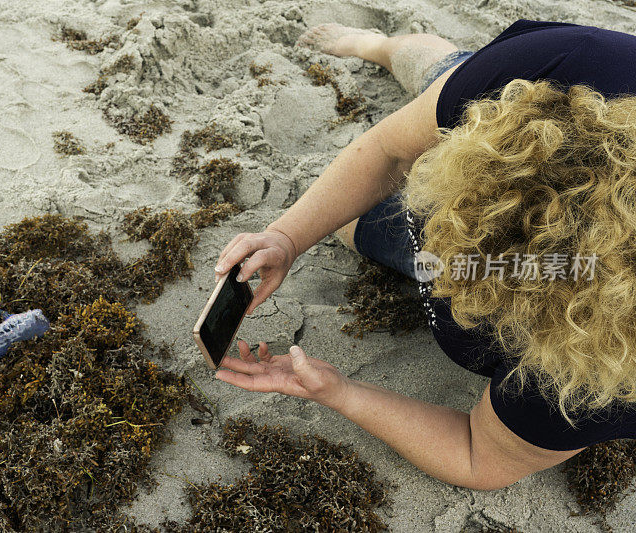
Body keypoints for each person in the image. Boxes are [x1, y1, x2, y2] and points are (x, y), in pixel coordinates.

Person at [213, 19, 636, 490]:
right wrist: (287, 237)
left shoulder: (600, 381)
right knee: (446, 76)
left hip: (590, 323)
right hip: (533, 107)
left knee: (353, 226)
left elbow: (479, 457)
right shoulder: (566, 65)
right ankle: (378, 45)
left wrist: (341, 392)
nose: (443, 269)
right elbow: (391, 153)